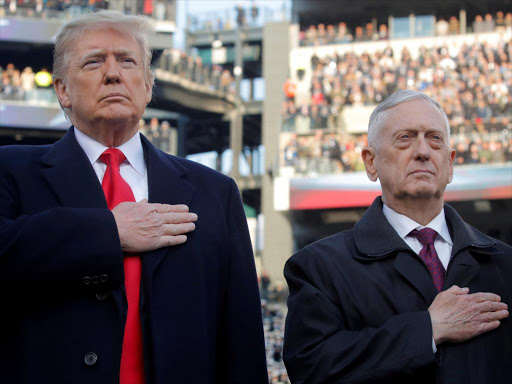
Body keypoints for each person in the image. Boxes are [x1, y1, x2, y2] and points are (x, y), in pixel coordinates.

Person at [0, 11, 268, 384]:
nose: (113, 73)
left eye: (127, 61)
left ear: (148, 85)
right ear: (62, 90)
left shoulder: (215, 193)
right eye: (93, 61)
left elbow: (241, 338)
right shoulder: (9, 170)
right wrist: (108, 231)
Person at [283, 90, 511, 383]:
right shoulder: (318, 267)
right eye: (405, 138)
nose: (423, 151)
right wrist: (428, 330)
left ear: (450, 163)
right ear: (370, 162)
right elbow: (311, 369)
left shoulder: (505, 263)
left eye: (435, 138)